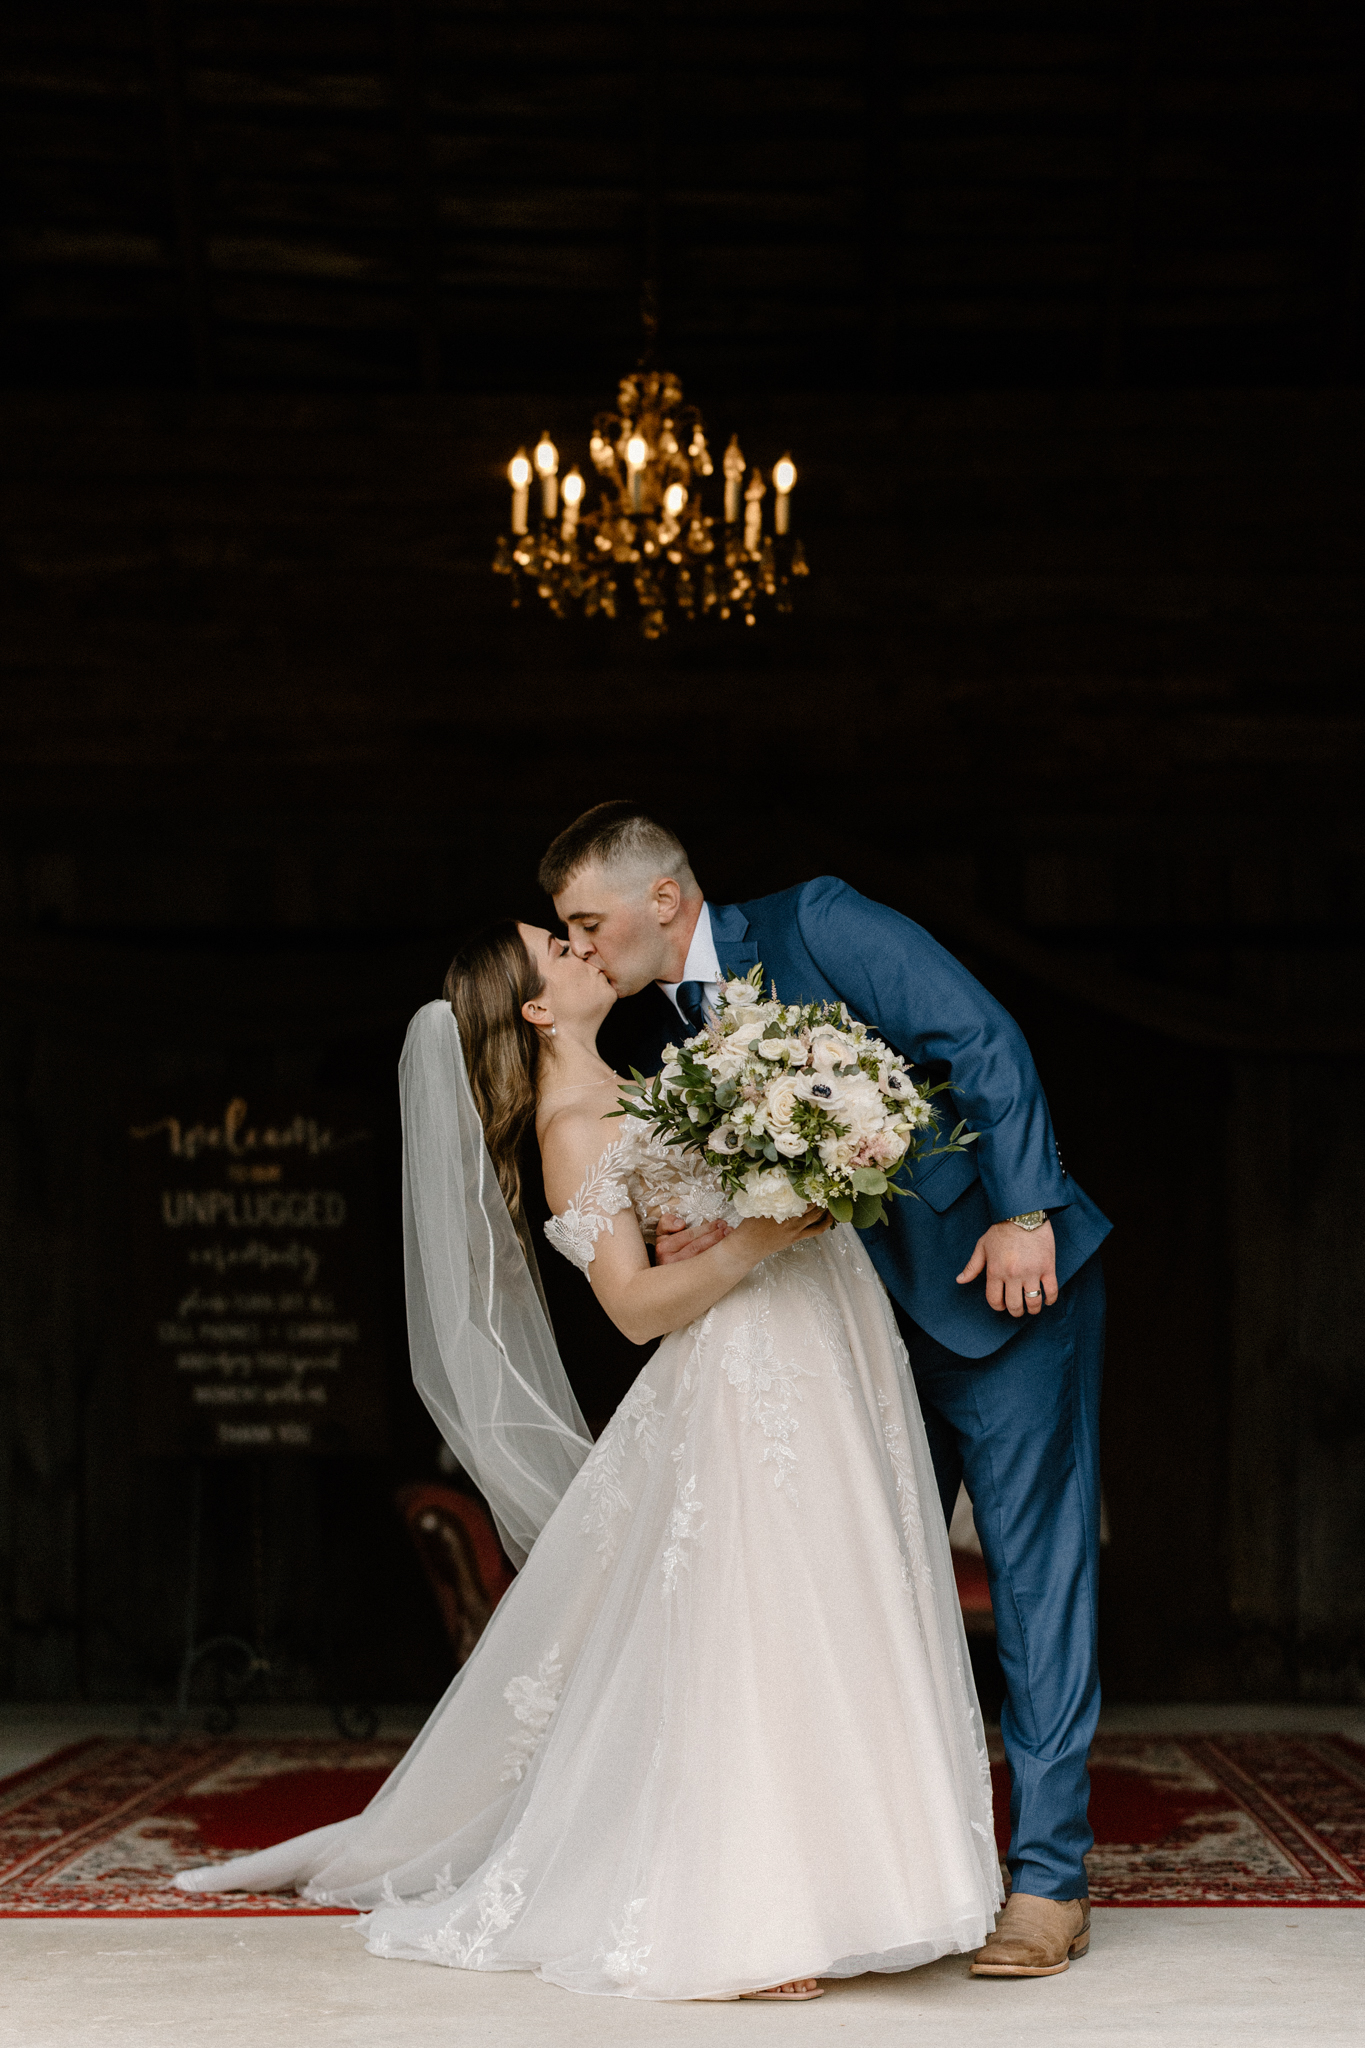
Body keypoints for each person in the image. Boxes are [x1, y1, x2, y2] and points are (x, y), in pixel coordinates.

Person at [174, 916, 1002, 2000]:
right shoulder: (574, 1122)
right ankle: (750, 1912)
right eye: (557, 948)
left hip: (814, 1353)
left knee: (836, 1610)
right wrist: (766, 1230)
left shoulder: (657, 1076)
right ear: (533, 1006)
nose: (581, 947)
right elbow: (632, 1308)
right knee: (750, 1632)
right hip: (739, 1379)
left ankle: (874, 1887)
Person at [543, 802, 1111, 1981]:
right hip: (846, 1339)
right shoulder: (665, 1044)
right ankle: (892, 1880)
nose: (582, 947)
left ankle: (1050, 1877)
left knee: (1032, 1571)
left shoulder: (820, 920)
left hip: (986, 1290)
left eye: (587, 921)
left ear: (662, 898)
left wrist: (1022, 1210)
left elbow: (980, 1036)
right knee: (866, 1595)